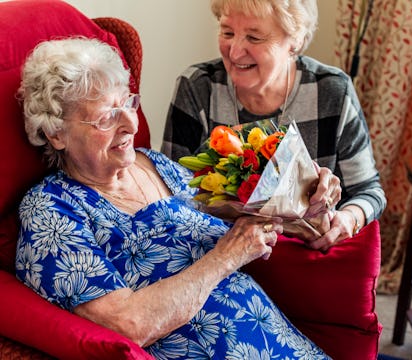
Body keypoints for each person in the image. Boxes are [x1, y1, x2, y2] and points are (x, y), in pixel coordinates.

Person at [15, 37, 330, 359]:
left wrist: (302, 204)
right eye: (106, 117)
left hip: (277, 342)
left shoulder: (155, 163)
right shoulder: (51, 210)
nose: (130, 124)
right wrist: (225, 259)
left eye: (128, 103)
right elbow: (126, 325)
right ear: (56, 133)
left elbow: (225, 214)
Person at [161, 0, 386, 251]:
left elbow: (369, 191)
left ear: (295, 40)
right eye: (227, 32)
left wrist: (349, 219)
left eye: (254, 37)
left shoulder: (332, 91)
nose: (234, 52)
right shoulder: (197, 88)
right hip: (216, 248)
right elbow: (168, 191)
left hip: (302, 254)